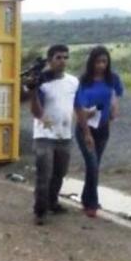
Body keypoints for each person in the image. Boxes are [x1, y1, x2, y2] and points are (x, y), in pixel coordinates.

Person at [30, 44, 79, 225]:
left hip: (64, 135)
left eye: (65, 57)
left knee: (59, 173)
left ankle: (53, 203)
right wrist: (34, 91)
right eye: (58, 57)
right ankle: (40, 211)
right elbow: (36, 112)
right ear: (50, 60)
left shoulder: (73, 81)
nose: (62, 61)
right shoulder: (42, 83)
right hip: (44, 136)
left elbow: (76, 105)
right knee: (44, 175)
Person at [74, 46, 124, 217]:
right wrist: (87, 133)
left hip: (102, 129)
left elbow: (115, 97)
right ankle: (92, 204)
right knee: (92, 165)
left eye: (104, 61)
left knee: (93, 167)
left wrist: (113, 111)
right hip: (85, 128)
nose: (101, 65)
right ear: (91, 62)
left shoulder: (112, 79)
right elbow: (79, 109)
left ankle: (86, 198)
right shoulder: (83, 81)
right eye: (97, 62)